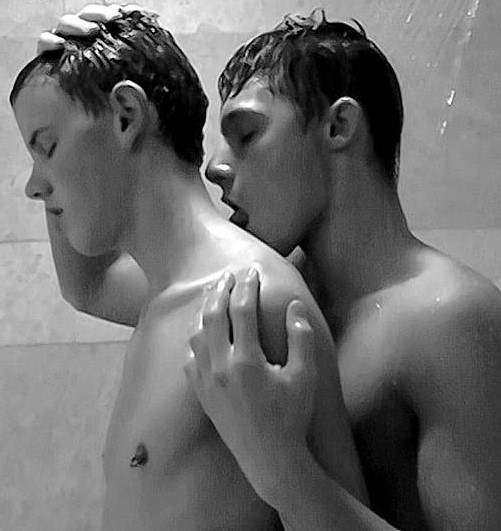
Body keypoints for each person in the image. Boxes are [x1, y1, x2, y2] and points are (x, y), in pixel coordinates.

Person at [36, 5, 501, 530]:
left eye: (247, 134)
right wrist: (73, 109)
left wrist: (282, 469)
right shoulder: (257, 292)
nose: (216, 166)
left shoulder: (452, 319)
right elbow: (91, 283)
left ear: (339, 126)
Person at [12, 7, 369, 530]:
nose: (32, 185)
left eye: (46, 147)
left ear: (126, 115)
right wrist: (66, 72)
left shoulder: (253, 299)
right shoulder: (167, 297)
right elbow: (85, 285)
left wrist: (282, 468)